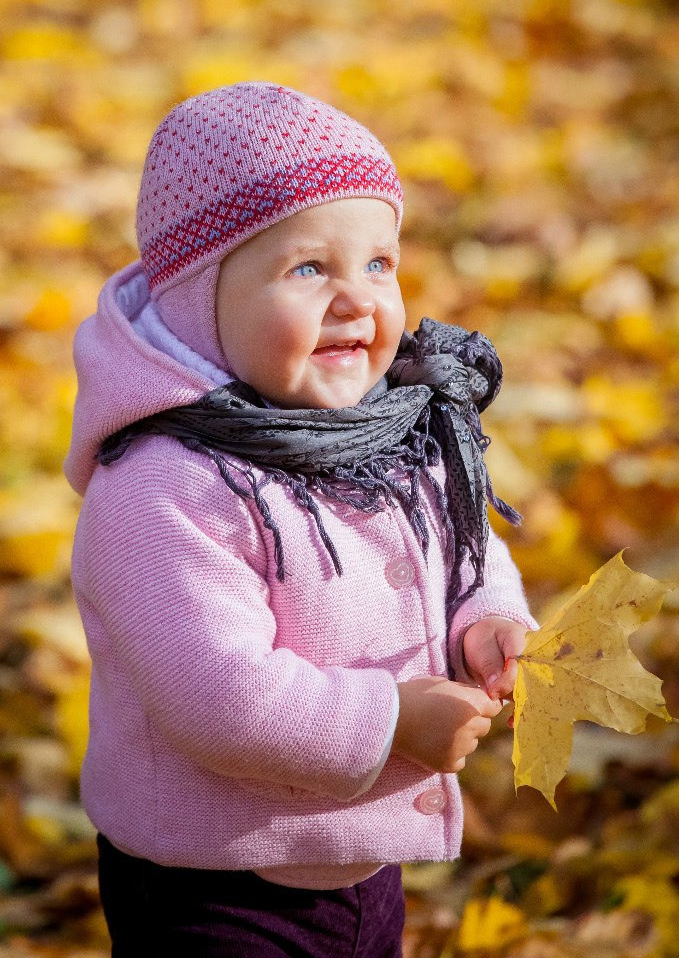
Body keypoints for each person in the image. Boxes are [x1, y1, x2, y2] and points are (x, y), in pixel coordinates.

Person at [64, 82, 537, 958]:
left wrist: (487, 620)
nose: (357, 299)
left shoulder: (393, 431)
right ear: (200, 304)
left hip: (360, 864)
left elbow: (463, 547)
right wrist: (390, 721)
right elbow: (218, 695)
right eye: (308, 268)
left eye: (379, 264)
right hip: (211, 882)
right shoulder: (164, 486)